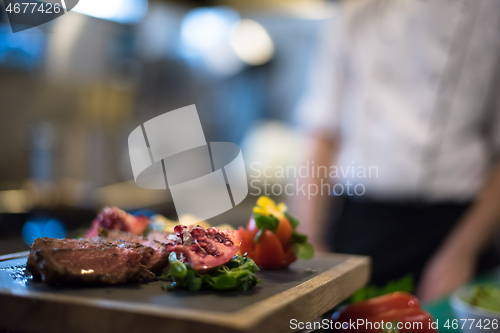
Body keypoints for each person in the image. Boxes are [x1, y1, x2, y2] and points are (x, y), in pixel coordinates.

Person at [294, 0, 500, 301]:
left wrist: (462, 251)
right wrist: (309, 239)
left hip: (457, 228)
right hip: (360, 226)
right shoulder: (357, 9)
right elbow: (323, 131)